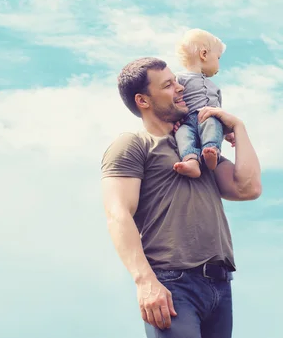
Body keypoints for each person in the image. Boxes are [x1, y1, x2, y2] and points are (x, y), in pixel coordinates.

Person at [100, 56, 262, 338]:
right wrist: (145, 281)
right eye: (168, 85)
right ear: (143, 101)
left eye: (176, 80)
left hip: (220, 285)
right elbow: (118, 214)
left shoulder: (202, 152)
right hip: (172, 283)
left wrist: (239, 128)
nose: (180, 88)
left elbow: (247, 188)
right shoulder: (133, 144)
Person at [172, 28, 234, 178]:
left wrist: (228, 132)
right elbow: (172, 100)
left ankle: (211, 152)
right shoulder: (179, 78)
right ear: (204, 54)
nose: (219, 63)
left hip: (209, 118)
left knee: (212, 124)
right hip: (187, 121)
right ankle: (191, 161)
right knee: (182, 134)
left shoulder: (215, 88)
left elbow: (219, 112)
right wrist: (173, 120)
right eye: (218, 58)